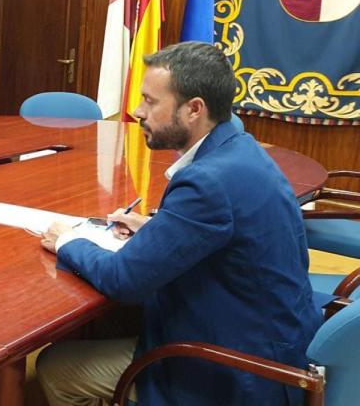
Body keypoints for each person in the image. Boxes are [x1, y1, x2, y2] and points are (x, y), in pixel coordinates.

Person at [37, 42, 320, 406]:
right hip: (274, 337)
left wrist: (69, 240)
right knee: (117, 322)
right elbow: (218, 231)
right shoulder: (238, 148)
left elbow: (124, 280)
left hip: (241, 372)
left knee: (56, 368)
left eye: (151, 101)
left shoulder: (209, 182)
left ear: (194, 109)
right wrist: (158, 229)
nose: (137, 111)